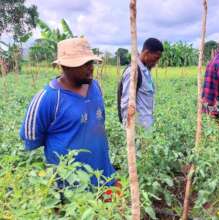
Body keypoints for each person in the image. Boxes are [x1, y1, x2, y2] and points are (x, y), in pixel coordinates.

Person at [19, 37, 118, 188]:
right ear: (65, 67)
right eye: (83, 64)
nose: (90, 68)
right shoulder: (49, 98)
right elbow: (32, 144)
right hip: (71, 189)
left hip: (103, 175)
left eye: (90, 62)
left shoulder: (95, 87)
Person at [119, 38, 163, 129]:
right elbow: (125, 104)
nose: (156, 62)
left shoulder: (145, 71)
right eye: (156, 58)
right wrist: (129, 131)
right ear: (146, 53)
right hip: (137, 131)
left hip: (146, 128)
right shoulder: (133, 71)